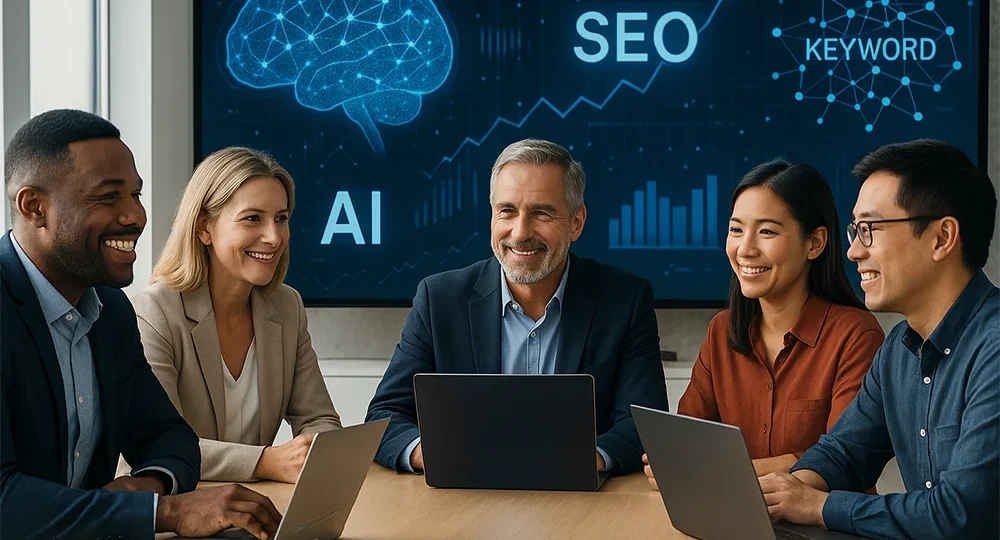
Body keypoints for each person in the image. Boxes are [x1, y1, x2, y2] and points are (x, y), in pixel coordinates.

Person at [0, 109, 281, 539]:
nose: (135, 216)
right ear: (34, 206)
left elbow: (169, 436)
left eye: (136, 195)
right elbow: (5, 499)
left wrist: (147, 488)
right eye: (108, 197)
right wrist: (163, 512)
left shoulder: (110, 311)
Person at [365, 138, 669, 474]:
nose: (520, 232)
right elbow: (385, 415)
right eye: (507, 211)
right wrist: (432, 453)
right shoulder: (439, 299)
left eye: (541, 213)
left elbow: (644, 423)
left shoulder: (626, 299)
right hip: (463, 499)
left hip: (580, 501)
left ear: (576, 223)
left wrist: (581, 460)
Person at [760, 139, 1000, 538]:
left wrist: (818, 506)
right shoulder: (900, 348)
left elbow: (961, 513)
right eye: (856, 229)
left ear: (942, 238)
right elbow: (845, 452)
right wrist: (789, 491)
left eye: (870, 229)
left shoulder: (993, 347)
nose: (853, 251)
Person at [642, 160, 883, 490]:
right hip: (726, 518)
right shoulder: (722, 330)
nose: (745, 249)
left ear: (815, 242)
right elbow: (683, 446)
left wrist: (707, 469)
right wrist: (674, 462)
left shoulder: (856, 335)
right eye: (736, 230)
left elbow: (838, 460)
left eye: (767, 231)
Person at [121, 147, 342, 483]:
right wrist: (266, 462)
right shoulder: (155, 311)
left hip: (254, 507)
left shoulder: (287, 307)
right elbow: (160, 445)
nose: (273, 237)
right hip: (173, 509)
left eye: (281, 219)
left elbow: (319, 418)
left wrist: (315, 448)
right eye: (253, 218)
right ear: (204, 228)